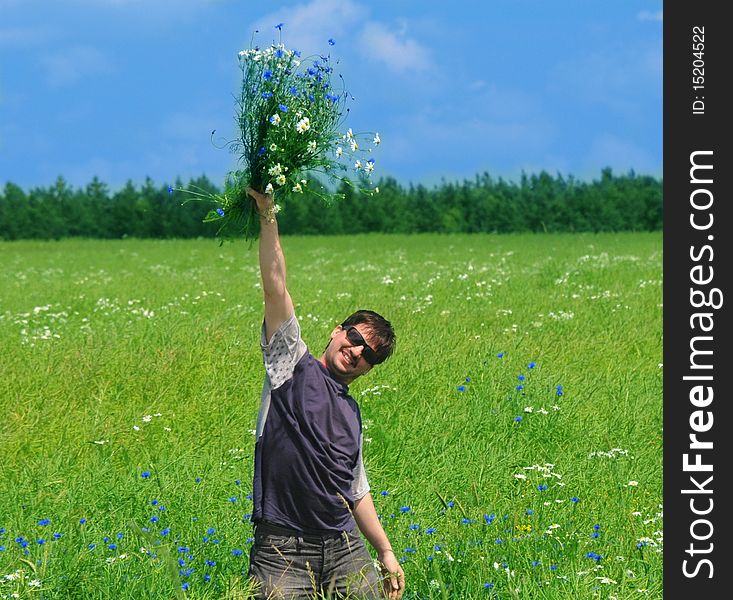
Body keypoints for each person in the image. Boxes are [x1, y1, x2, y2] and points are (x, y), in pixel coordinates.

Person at [246, 186, 405, 600]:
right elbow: (275, 288)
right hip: (283, 550)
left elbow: (356, 490)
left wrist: (385, 552)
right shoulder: (289, 365)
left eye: (368, 354)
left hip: (344, 546)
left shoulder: (351, 415)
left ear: (369, 368)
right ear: (338, 331)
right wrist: (268, 213)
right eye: (354, 337)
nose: (356, 352)